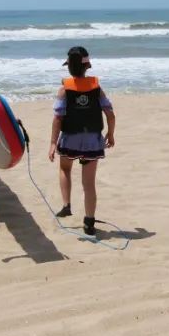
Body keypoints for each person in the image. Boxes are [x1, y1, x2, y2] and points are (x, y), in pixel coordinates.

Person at [49, 46, 116, 236]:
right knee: (89, 184)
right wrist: (110, 134)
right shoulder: (96, 88)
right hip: (93, 140)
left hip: (70, 138)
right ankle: (89, 222)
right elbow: (110, 114)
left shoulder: (64, 89)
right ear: (87, 67)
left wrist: (53, 143)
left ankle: (66, 204)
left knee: (65, 168)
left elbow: (58, 118)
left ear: (69, 67)